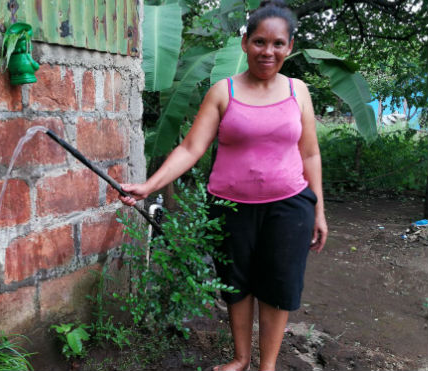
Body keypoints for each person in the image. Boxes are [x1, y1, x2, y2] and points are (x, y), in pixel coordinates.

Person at [119, 1, 328, 370]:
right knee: (237, 283)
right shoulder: (223, 91)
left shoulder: (299, 92)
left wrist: (319, 210)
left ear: (289, 47)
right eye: (260, 41)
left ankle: (268, 366)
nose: (268, 51)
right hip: (229, 207)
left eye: (278, 43)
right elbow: (191, 147)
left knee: (278, 288)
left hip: (290, 206)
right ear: (245, 42)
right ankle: (241, 358)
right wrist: (149, 185)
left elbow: (310, 154)